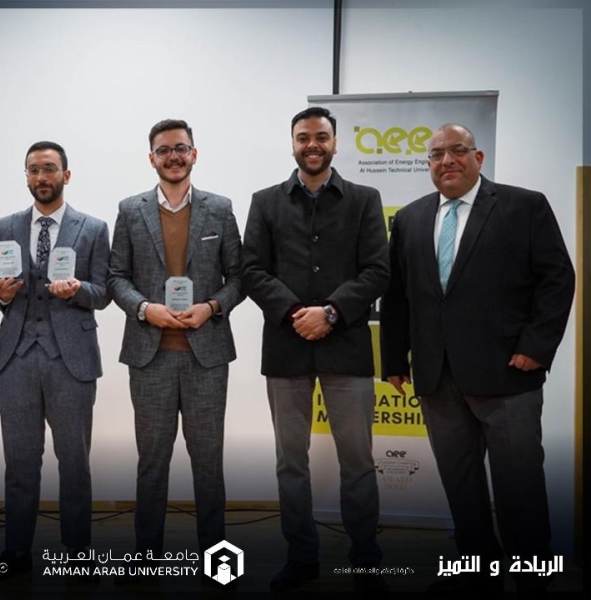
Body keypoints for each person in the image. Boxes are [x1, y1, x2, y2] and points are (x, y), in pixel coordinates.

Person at [380, 124, 574, 594]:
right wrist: (394, 361)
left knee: (519, 485)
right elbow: (398, 296)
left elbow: (557, 279)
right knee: (460, 484)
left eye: (457, 150)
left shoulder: (524, 205)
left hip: (508, 372)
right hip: (437, 376)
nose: (446, 160)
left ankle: (531, 576)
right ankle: (476, 571)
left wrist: (536, 347)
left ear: (478, 157)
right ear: (428, 164)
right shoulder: (409, 218)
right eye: (436, 154)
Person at [241, 106, 389, 594]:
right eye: (303, 137)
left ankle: (365, 559)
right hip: (287, 349)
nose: (312, 144)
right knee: (290, 462)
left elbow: (378, 270)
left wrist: (329, 312)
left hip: (346, 347)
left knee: (358, 462)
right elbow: (252, 270)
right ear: (292, 144)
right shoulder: (265, 202)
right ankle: (301, 557)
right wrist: (294, 313)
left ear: (334, 143)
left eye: (321, 137)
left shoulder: (365, 200)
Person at [107, 119, 244, 574]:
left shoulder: (219, 209)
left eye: (180, 148)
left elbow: (239, 277)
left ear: (194, 154)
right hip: (151, 357)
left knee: (208, 463)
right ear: (152, 159)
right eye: (163, 150)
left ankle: (216, 561)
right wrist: (145, 309)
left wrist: (211, 306)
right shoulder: (130, 210)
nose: (173, 156)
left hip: (207, 357)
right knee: (152, 462)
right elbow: (116, 277)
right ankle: (147, 556)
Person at [0, 141, 110, 584]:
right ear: (26, 176)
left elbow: (104, 292)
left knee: (74, 463)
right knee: (19, 464)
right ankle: (16, 553)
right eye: (33, 169)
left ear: (66, 175)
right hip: (15, 358)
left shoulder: (93, 228)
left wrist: (78, 290)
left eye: (50, 168)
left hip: (71, 359)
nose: (41, 177)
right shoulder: (3, 227)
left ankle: (77, 556)